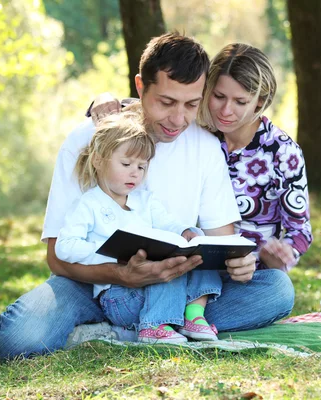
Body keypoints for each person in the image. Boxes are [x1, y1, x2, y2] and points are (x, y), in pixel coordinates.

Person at [0, 33, 294, 364]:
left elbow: (220, 242)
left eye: (190, 104)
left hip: (172, 287)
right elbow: (57, 256)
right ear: (139, 86)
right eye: (166, 101)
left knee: (275, 289)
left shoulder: (205, 146)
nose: (178, 119)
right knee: (17, 340)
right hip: (91, 285)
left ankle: (109, 335)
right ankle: (140, 331)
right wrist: (122, 274)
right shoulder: (88, 140)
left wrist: (236, 263)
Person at [91, 43, 313, 272]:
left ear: (260, 101)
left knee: (278, 288)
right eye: (218, 96)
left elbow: (300, 230)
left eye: (240, 102)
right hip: (193, 263)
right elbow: (151, 104)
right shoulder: (193, 128)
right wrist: (103, 100)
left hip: (247, 271)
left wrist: (282, 255)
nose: (225, 110)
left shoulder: (281, 152)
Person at [56, 107, 220, 343]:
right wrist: (113, 253)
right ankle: (153, 326)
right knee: (163, 269)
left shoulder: (145, 201)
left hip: (149, 290)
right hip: (119, 296)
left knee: (200, 256)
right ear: (98, 161)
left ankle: (194, 316)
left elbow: (168, 224)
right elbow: (65, 247)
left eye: (141, 167)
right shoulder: (89, 204)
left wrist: (187, 233)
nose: (135, 173)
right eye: (126, 164)